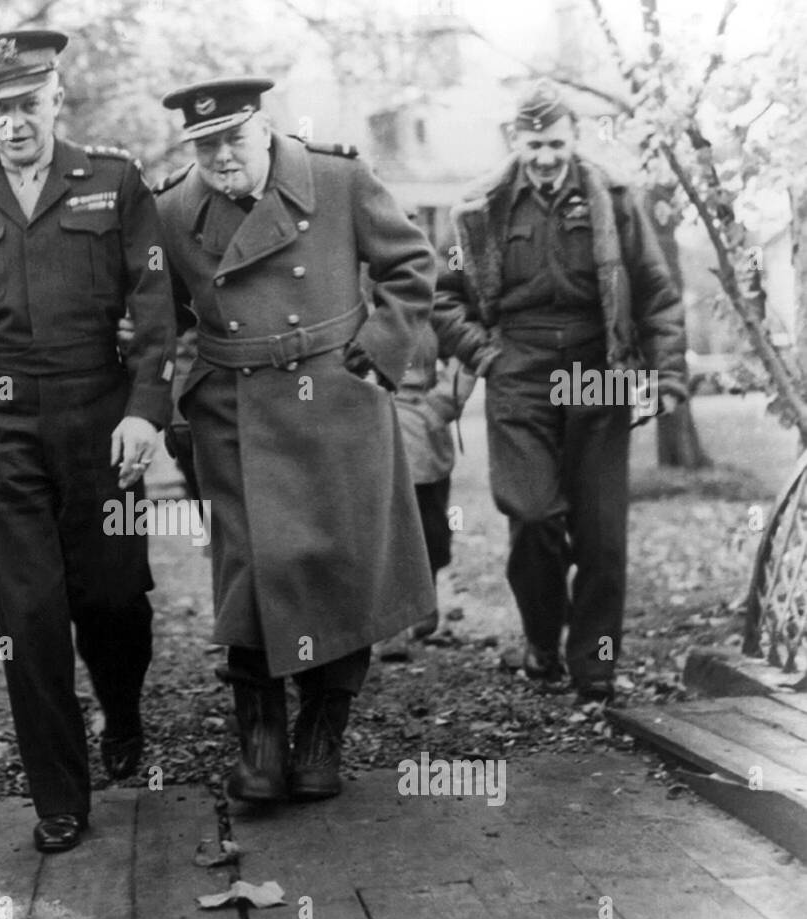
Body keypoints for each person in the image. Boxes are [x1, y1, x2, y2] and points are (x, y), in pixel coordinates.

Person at [0, 29, 176, 854]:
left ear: (57, 99)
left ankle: (122, 708)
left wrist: (144, 411)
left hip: (100, 421)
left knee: (112, 598)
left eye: (27, 104)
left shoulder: (115, 181)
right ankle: (60, 793)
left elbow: (157, 305)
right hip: (1, 428)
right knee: (28, 613)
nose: (14, 122)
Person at [153, 77, 436, 803]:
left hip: (336, 394)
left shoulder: (337, 180)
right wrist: (181, 387)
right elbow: (164, 314)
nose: (220, 158)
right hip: (234, 408)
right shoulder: (174, 210)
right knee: (248, 566)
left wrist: (378, 349)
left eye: (232, 139)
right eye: (204, 144)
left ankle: (321, 730)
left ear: (265, 127)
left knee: (342, 564)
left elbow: (411, 265)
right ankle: (260, 736)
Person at [433, 80, 687, 702]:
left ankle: (595, 662)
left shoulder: (615, 200)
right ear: (514, 142)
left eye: (555, 142)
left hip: (598, 365)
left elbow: (655, 291)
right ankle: (542, 639)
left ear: (574, 140)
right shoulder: (478, 210)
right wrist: (486, 354)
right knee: (534, 515)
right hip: (518, 368)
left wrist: (671, 374)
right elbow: (443, 297)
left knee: (601, 532)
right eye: (533, 143)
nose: (545, 155)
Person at [378, 315, 479, 660]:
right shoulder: (349, 286)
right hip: (369, 418)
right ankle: (389, 622)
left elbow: (467, 348)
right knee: (381, 528)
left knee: (430, 524)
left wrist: (444, 402)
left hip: (424, 423)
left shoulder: (432, 293)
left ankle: (425, 596)